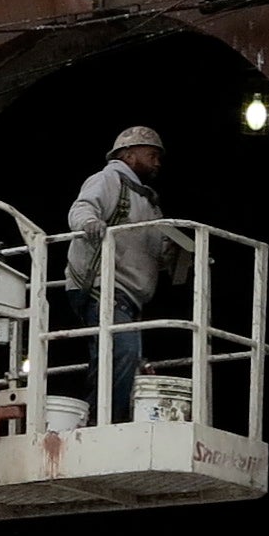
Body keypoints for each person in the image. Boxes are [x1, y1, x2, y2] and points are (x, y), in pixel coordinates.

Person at [66, 124, 186, 420]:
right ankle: (101, 419)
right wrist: (89, 223)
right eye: (151, 155)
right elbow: (81, 209)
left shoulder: (148, 202)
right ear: (129, 155)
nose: (158, 162)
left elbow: (156, 253)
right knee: (122, 352)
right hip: (101, 285)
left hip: (128, 295)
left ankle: (100, 416)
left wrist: (176, 254)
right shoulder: (108, 180)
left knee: (120, 356)